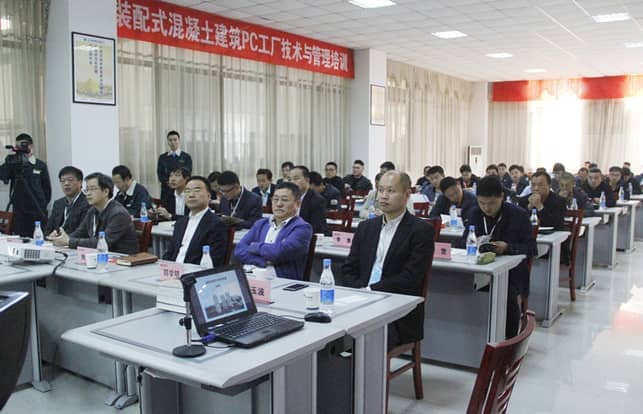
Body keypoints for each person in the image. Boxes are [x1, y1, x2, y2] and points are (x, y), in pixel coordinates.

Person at [342, 170, 434, 350]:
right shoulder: (366, 227)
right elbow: (348, 269)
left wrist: (371, 291)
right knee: (328, 335)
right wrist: (360, 292)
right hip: (360, 301)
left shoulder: (421, 230)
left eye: (391, 191)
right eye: (381, 190)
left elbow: (410, 278)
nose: (383, 196)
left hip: (397, 310)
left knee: (363, 339)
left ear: (407, 194)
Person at [460, 176, 536, 338]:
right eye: (482, 203)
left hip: (512, 272)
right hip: (480, 268)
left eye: (492, 203)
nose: (487, 208)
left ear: (502, 196)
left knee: (506, 294)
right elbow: (463, 241)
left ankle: (509, 340)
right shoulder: (474, 213)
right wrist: (474, 242)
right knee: (459, 288)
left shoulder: (519, 215)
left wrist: (508, 247)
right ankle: (471, 336)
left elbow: (531, 248)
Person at [234, 182, 313, 280]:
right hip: (251, 275)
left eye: (284, 200)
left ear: (297, 203)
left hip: (280, 280)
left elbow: (279, 253)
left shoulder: (302, 228)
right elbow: (239, 250)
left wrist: (254, 246)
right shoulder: (261, 224)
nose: (279, 204)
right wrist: (263, 261)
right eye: (275, 199)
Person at [50, 173, 139, 254]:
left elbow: (102, 242)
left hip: (122, 259)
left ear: (106, 191)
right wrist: (61, 237)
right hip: (100, 256)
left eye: (92, 189)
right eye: (87, 190)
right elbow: (79, 233)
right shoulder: (92, 211)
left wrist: (68, 241)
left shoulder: (118, 214)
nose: (88, 194)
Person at [163, 176, 228, 266]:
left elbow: (214, 260)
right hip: (173, 270)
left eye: (197, 190)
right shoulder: (180, 223)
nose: (191, 195)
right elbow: (169, 253)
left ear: (208, 196)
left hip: (195, 272)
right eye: (187, 191)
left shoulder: (216, 224)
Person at [0, 133, 51, 236]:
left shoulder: (40, 165)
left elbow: (47, 189)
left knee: (39, 238)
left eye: (23, 145)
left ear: (30, 146)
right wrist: (9, 162)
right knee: (20, 238)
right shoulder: (14, 164)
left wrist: (43, 204)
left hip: (37, 209)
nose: (20, 148)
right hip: (20, 211)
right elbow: (2, 175)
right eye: (18, 146)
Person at [45, 166, 89, 236]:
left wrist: (62, 237)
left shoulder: (87, 203)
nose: (66, 184)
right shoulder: (58, 203)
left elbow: (83, 232)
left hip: (73, 241)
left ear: (80, 182)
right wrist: (49, 236)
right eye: (62, 181)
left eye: (70, 180)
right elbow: (48, 229)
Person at [290, 165, 329, 235]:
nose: (292, 182)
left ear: (307, 180)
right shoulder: (290, 198)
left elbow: (315, 227)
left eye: (296, 178)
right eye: (290, 179)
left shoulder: (317, 200)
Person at [157, 130, 192, 203]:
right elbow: (160, 174)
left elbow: (187, 173)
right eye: (170, 140)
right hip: (166, 190)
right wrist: (170, 182)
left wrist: (177, 183)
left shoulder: (186, 157)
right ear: (168, 142)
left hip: (181, 189)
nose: (173, 142)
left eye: (175, 140)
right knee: (166, 207)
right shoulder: (162, 157)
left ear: (179, 140)